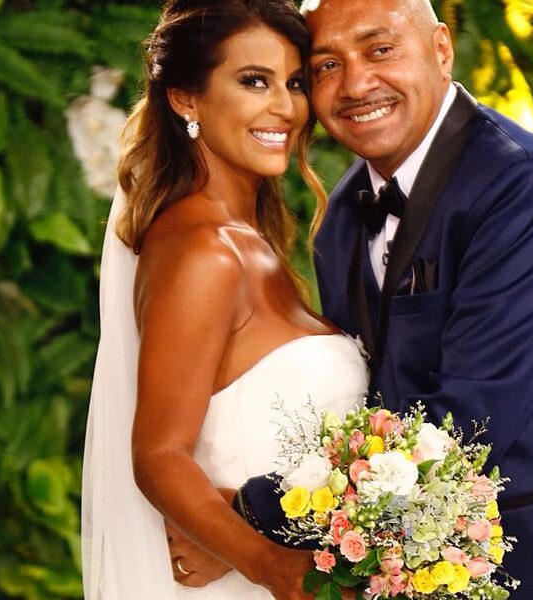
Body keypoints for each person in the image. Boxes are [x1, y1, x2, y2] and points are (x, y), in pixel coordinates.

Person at [207, 0, 533, 597]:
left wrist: (247, 516)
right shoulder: (342, 218)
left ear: (441, 49)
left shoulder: (525, 189)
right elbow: (366, 413)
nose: (356, 84)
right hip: (419, 574)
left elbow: (462, 427)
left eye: (380, 50)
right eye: (327, 66)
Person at [79, 1, 367, 599]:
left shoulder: (252, 244)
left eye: (294, 83)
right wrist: (270, 565)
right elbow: (159, 454)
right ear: (186, 99)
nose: (285, 107)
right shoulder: (203, 252)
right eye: (254, 81)